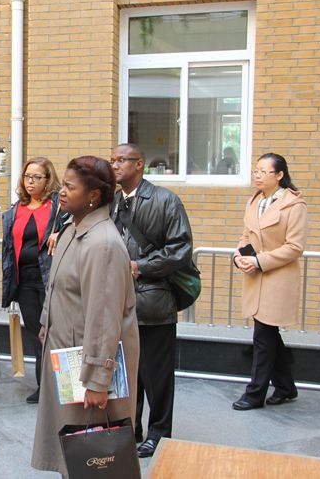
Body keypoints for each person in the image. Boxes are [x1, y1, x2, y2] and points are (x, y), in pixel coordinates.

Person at [31, 156, 139, 476]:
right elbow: (58, 287)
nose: (61, 192)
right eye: (62, 185)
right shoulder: (72, 229)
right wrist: (46, 323)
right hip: (66, 357)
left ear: (93, 195)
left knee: (91, 459)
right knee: (73, 452)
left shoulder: (102, 243)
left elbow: (104, 318)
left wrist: (97, 380)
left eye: (69, 187)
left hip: (86, 367)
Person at [110, 143, 194, 458]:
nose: (115, 165)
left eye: (121, 160)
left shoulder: (164, 200)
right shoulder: (112, 202)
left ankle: (159, 433)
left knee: (156, 375)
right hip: (120, 302)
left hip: (154, 302)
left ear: (139, 164)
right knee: (127, 374)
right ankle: (131, 428)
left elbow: (180, 248)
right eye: (112, 160)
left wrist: (141, 266)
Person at [232, 153, 308, 411]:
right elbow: (246, 236)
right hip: (255, 277)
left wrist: (260, 261)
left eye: (264, 171)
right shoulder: (255, 201)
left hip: (278, 279)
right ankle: (286, 387)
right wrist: (239, 257)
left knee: (263, 337)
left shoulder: (294, 205)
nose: (257, 175)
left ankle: (255, 393)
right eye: (256, 170)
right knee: (269, 336)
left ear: (279, 175)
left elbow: (295, 247)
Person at [1, 156, 63, 404]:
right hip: (24, 282)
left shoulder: (58, 206)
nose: (30, 181)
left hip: (50, 280)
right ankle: (43, 386)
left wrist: (60, 232)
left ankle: (60, 387)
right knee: (37, 334)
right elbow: (9, 248)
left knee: (54, 334)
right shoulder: (17, 208)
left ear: (48, 180)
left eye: (37, 177)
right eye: (27, 176)